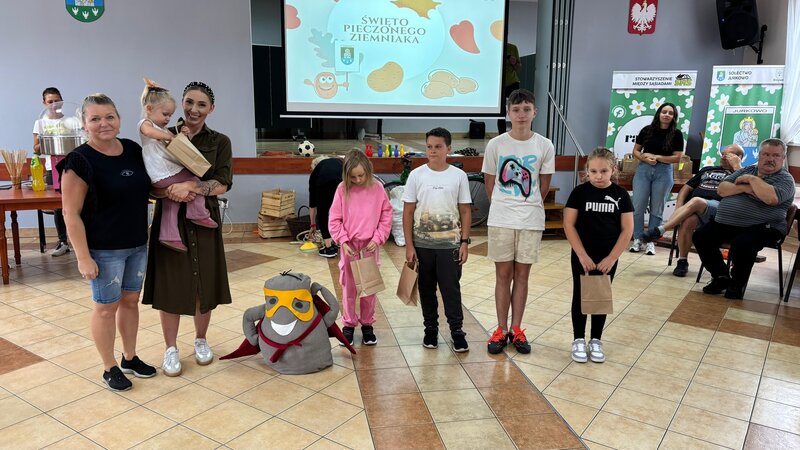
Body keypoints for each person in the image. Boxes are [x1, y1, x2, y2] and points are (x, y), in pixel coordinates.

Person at [58, 94, 156, 391]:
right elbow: (70, 213)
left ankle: (130, 357)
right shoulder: (79, 161)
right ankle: (109, 367)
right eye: (95, 119)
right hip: (104, 251)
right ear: (84, 124)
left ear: (119, 119)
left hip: (137, 244)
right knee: (105, 308)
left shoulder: (133, 150)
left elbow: (150, 188)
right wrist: (83, 257)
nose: (104, 123)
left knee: (130, 302)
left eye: (109, 116)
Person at [142, 81, 233, 376]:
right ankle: (170, 348)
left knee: (204, 281)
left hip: (203, 218)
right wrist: (170, 191)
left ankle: (201, 339)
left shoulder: (220, 141)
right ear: (181, 103)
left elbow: (223, 183)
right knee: (170, 283)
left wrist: (191, 187)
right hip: (169, 218)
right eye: (189, 102)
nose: (194, 109)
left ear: (211, 109)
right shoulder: (162, 132)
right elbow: (150, 182)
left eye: (201, 104)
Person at [482, 88, 554, 355]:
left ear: (535, 112)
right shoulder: (496, 144)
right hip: (501, 218)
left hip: (530, 219)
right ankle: (501, 329)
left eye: (526, 109)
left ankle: (517, 329)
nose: (521, 114)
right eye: (516, 110)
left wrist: (528, 203)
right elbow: (490, 182)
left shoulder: (544, 145)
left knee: (522, 276)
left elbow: (543, 185)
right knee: (503, 275)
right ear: (508, 113)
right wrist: (503, 204)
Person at [694, 138, 794, 300]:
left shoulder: (785, 179)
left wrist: (752, 179)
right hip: (727, 223)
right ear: (759, 155)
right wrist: (747, 188)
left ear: (783, 158)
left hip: (765, 227)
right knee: (701, 235)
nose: (770, 159)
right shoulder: (747, 170)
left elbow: (770, 198)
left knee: (743, 243)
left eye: (776, 155)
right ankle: (721, 276)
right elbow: (722, 189)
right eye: (766, 154)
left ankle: (737, 284)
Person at [402, 127, 472, 352]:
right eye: (429, 146)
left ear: (448, 149)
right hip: (422, 245)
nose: (433, 151)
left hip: (450, 245)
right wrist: (409, 245)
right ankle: (430, 329)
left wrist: (464, 242)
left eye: (438, 147)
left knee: (451, 289)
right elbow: (408, 212)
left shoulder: (458, 176)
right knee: (426, 289)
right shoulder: (416, 175)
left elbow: (465, 211)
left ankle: (457, 331)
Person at [564, 148, 633, 363]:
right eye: (593, 171)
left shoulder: (621, 195)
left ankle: (596, 340)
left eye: (604, 171)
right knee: (580, 294)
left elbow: (627, 230)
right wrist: (581, 254)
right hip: (582, 254)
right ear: (587, 171)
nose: (598, 176)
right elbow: (569, 224)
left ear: (613, 170)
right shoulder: (579, 193)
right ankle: (578, 339)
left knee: (600, 295)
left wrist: (612, 258)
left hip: (607, 256)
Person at [138, 79, 217, 252]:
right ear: (149, 109)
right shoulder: (146, 123)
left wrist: (182, 134)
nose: (168, 119)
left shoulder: (163, 129)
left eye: (170, 115)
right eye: (165, 114)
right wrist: (169, 136)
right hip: (162, 171)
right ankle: (197, 212)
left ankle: (169, 235)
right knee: (194, 180)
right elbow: (149, 132)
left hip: (162, 172)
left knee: (171, 203)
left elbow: (177, 145)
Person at [642, 144, 744, 276]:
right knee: (688, 221)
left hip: (720, 209)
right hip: (696, 208)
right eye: (722, 154)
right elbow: (686, 188)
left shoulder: (741, 173)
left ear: (738, 157)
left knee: (696, 201)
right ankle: (682, 261)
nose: (723, 157)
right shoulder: (707, 169)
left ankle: (662, 229)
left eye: (728, 155)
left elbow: (744, 190)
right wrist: (679, 206)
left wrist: (737, 166)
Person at [328, 150, 392, 345]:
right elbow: (334, 219)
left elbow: (386, 215)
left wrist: (378, 237)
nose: (357, 180)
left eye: (361, 175)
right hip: (349, 248)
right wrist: (343, 240)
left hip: (370, 247)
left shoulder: (377, 188)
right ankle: (348, 324)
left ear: (368, 170)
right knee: (348, 288)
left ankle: (367, 325)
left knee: (369, 288)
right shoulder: (342, 189)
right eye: (353, 177)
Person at [629, 102, 684, 256]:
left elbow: (677, 157)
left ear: (674, 117)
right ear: (659, 113)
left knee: (657, 209)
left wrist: (657, 157)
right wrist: (645, 158)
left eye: (670, 113)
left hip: (664, 172)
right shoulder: (646, 130)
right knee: (638, 206)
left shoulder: (676, 134)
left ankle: (651, 241)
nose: (667, 115)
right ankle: (637, 239)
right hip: (644, 170)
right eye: (664, 112)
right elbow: (636, 151)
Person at [33, 87, 70, 257]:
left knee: (80, 203)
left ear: (62, 101)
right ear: (44, 103)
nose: (54, 104)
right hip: (52, 168)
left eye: (57, 100)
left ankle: (86, 241)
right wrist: (48, 140)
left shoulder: (70, 121)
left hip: (72, 167)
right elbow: (36, 149)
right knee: (58, 206)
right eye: (50, 101)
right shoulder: (40, 123)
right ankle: (63, 242)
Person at [309, 154, 344, 258]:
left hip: (324, 185)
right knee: (343, 211)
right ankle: (342, 242)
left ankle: (329, 248)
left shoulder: (315, 172)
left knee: (323, 212)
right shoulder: (337, 161)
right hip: (343, 181)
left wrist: (313, 225)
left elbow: (313, 205)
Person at [497, 42, 522, 134]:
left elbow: (518, 68)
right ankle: (502, 135)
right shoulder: (494, 46)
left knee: (516, 108)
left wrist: (514, 62)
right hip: (498, 83)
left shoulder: (512, 47)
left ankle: (517, 132)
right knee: (501, 112)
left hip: (512, 83)